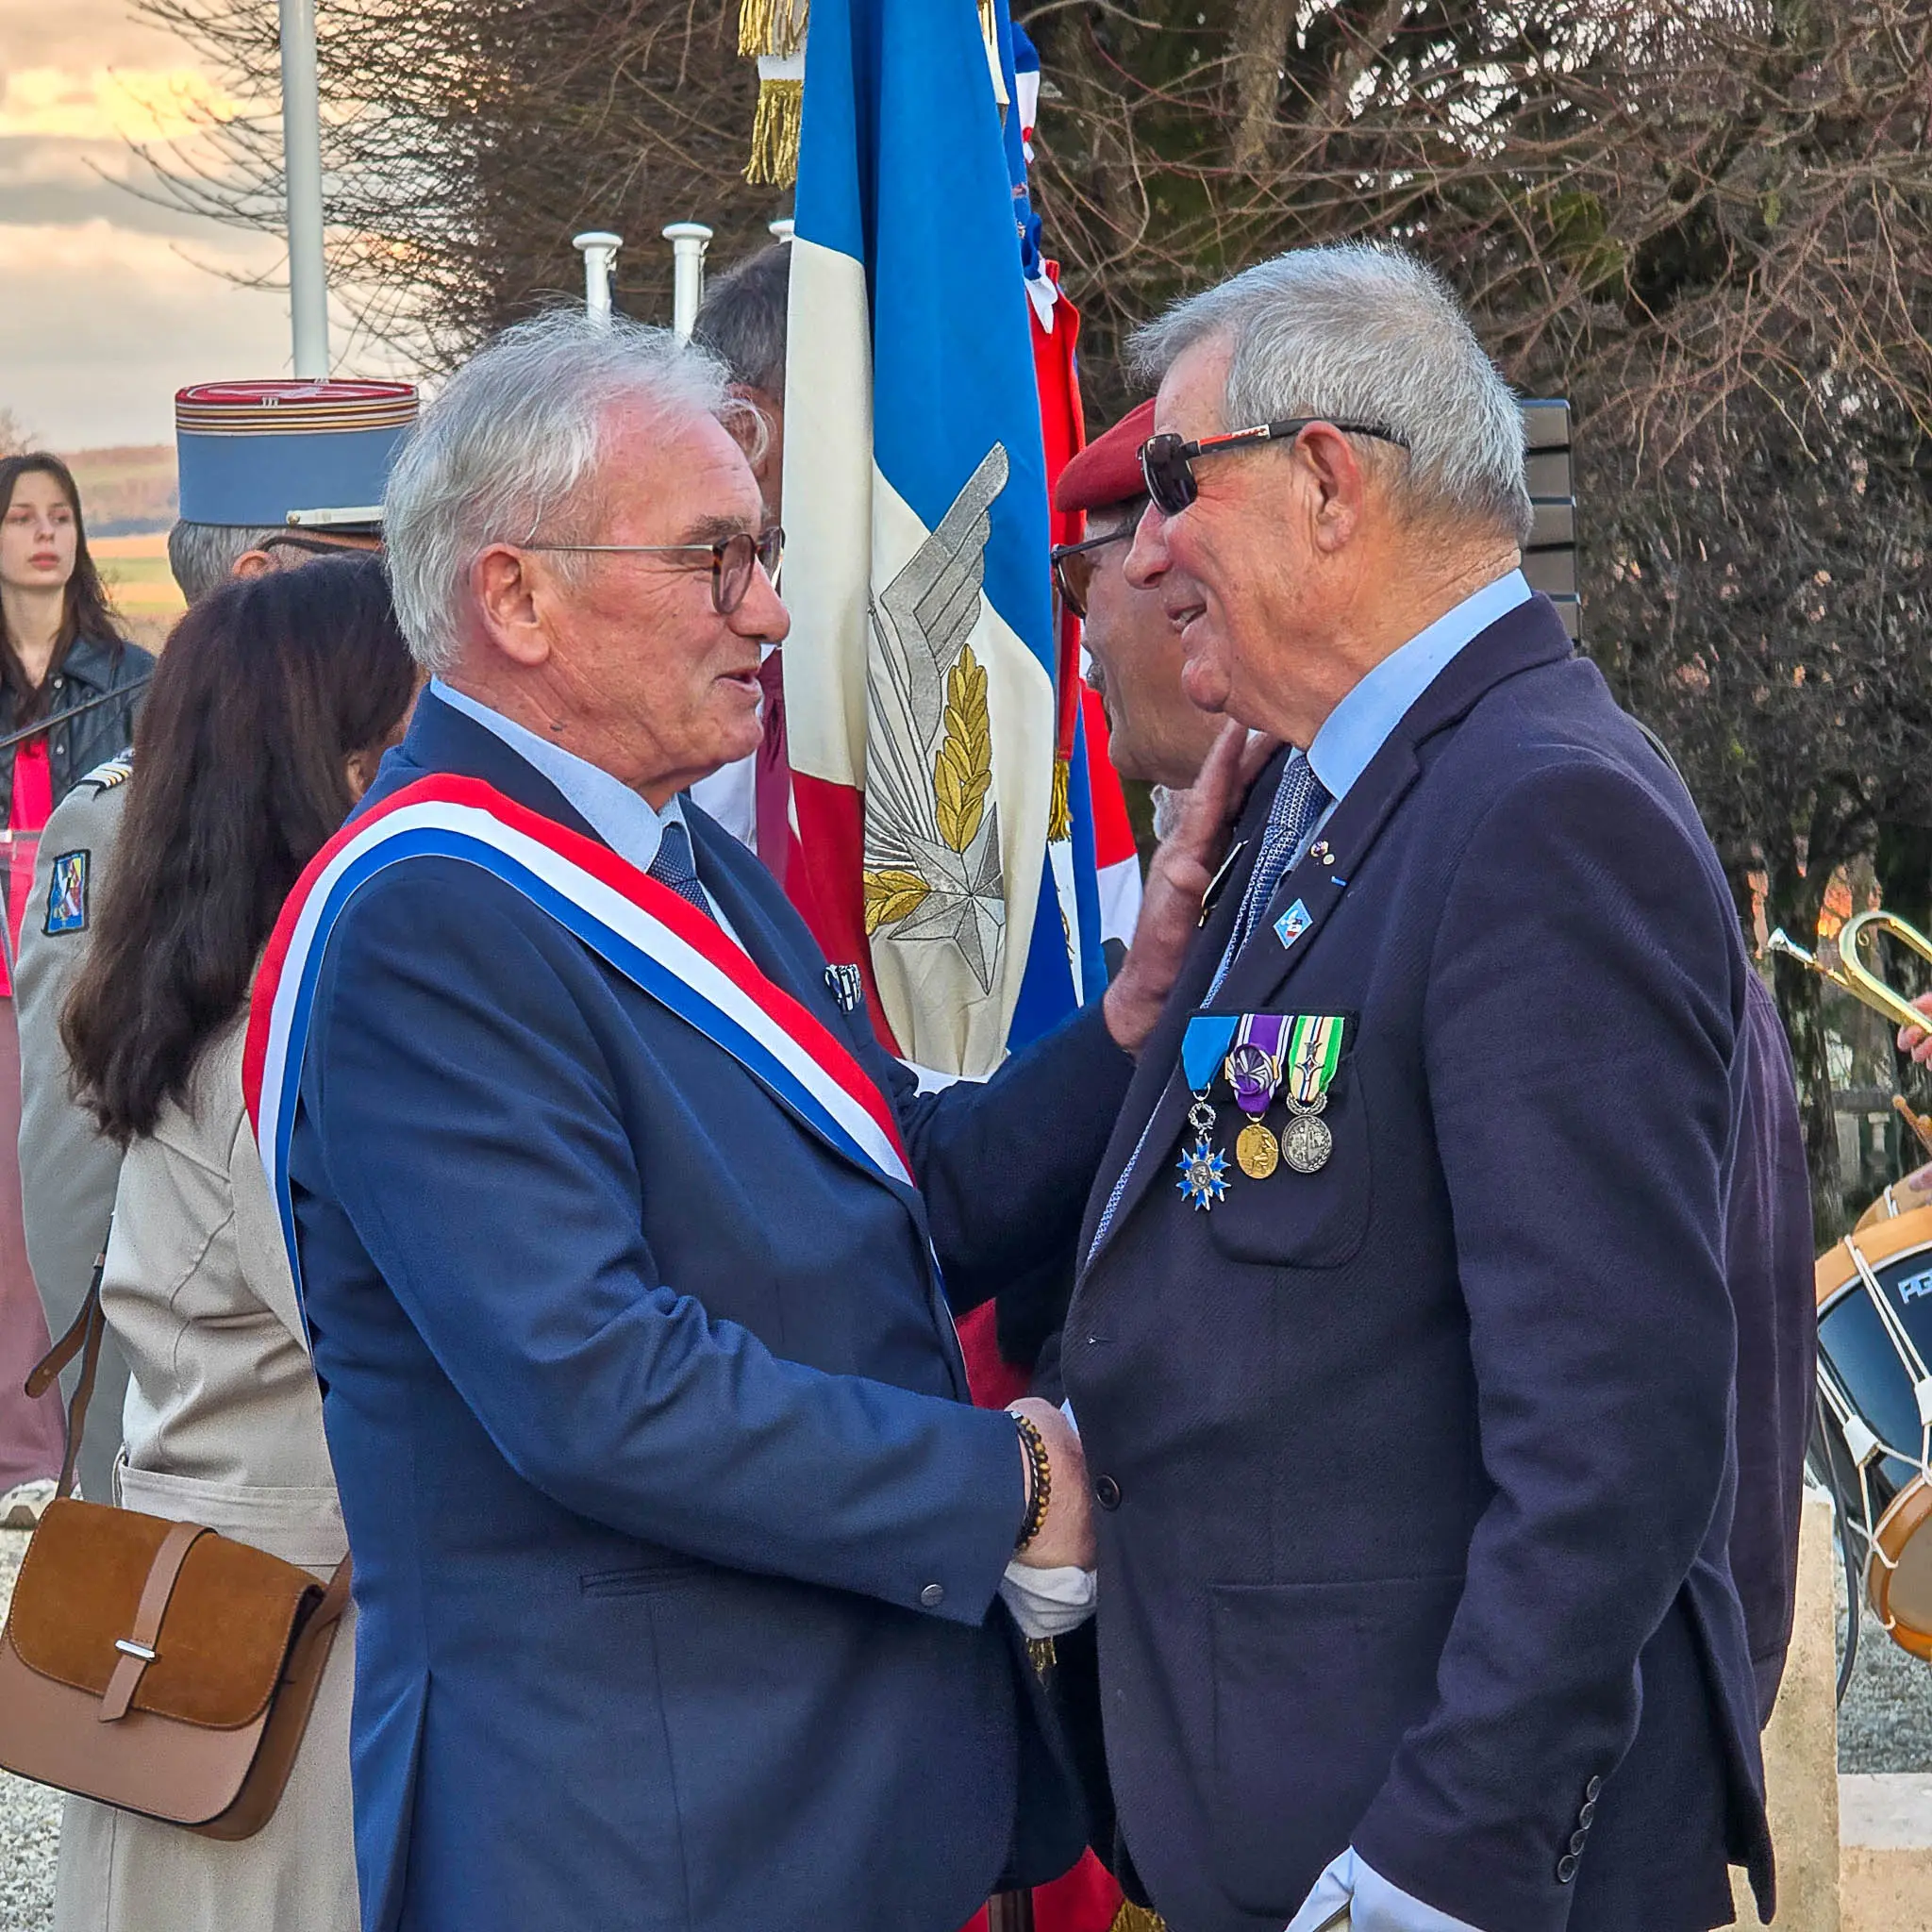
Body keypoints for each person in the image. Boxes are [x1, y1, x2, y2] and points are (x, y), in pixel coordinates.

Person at [250, 310, 1235, 1932]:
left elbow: (883, 1190)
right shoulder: (432, 917)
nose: (771, 611)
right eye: (716, 560)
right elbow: (596, 1381)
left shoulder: (667, 860)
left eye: (761, 553)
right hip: (635, 1843)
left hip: (788, 1817)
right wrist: (994, 1484)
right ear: (517, 596)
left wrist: (1133, 1014)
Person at [1060, 243, 1773, 1932]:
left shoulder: (1535, 811)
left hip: (1437, 1865)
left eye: (1174, 481)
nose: (1147, 547)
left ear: (1321, 481)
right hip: (1292, 1820)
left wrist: (1444, 1854)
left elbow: (1613, 1433)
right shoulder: (1324, 793)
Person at [49, 551, 415, 1932]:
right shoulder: (275, 1047)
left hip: (217, 1656)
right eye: (403, 742)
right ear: (322, 771)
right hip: (285, 1690)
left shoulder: (210, 1008)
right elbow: (420, 1347)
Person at [15, 379, 416, 1509]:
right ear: (261, 579)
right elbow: (76, 1184)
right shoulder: (119, 820)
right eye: (371, 558)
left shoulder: (383, 798)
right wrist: (111, 1470)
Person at [0, 451, 152, 1525]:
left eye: (61, 514)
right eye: (20, 516)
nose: (43, 534)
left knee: (54, 1198)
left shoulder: (131, 672)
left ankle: (47, 1452)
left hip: (76, 961)